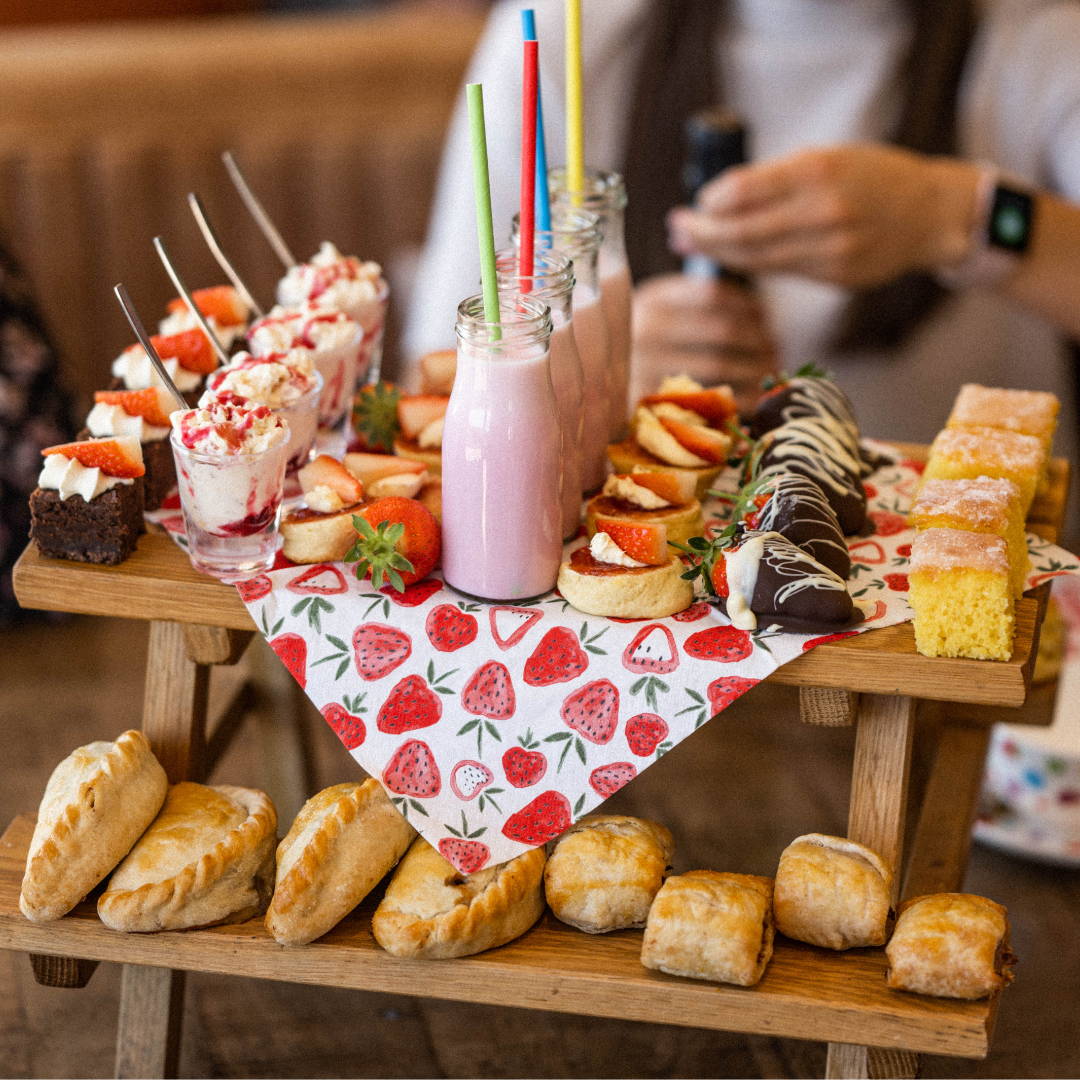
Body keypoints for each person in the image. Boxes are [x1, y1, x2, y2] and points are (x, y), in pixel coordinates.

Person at [404, 0, 1080, 538]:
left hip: (964, 578)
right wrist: (600, 382)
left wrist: (959, 214)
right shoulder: (564, 32)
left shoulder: (1037, 40)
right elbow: (431, 389)